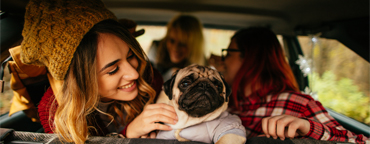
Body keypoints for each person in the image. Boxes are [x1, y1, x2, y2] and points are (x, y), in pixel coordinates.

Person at [15, 0, 178, 143]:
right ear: (80, 79)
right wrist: (127, 135)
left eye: (130, 56)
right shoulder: (56, 110)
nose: (134, 74)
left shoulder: (149, 77)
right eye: (113, 70)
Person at [218, 27, 368, 143]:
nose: (223, 61)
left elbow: (358, 141)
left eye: (228, 53)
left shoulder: (298, 104)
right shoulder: (230, 103)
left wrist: (308, 128)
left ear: (251, 58)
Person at [148, 14, 206, 81]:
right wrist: (170, 73)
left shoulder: (200, 61)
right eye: (172, 41)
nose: (175, 48)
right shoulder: (157, 50)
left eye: (182, 43)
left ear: (193, 46)